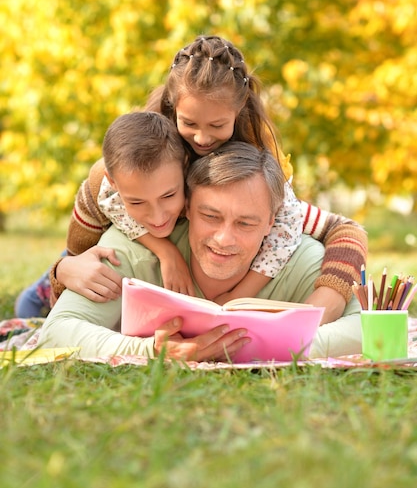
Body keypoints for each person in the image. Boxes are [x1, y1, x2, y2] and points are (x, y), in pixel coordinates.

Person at [17, 35, 365, 319]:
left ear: (238, 112)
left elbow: (342, 229)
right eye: (189, 124)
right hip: (96, 252)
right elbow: (94, 209)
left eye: (217, 126)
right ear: (172, 108)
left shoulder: (251, 177)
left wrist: (328, 292)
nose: (201, 138)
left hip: (143, 280)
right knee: (33, 306)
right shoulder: (146, 158)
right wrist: (67, 268)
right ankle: (43, 292)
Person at [38, 141, 362, 361]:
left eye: (246, 223)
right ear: (187, 207)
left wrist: (261, 346)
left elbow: (372, 331)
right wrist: (153, 350)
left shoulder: (303, 256)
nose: (223, 239)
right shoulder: (128, 247)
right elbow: (54, 332)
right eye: (210, 216)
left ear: (273, 224)